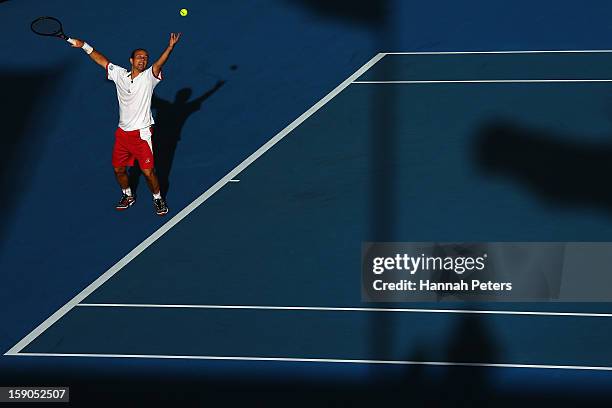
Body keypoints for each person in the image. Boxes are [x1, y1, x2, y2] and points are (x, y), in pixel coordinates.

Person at [68, 33, 181, 215]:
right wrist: (84, 45)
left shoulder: (149, 78)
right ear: (131, 60)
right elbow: (101, 60)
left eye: (145, 58)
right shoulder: (120, 74)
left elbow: (160, 63)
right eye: (139, 57)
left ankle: (158, 198)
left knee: (148, 172)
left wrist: (170, 48)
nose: (142, 60)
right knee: (118, 169)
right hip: (122, 134)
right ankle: (128, 195)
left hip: (142, 134)